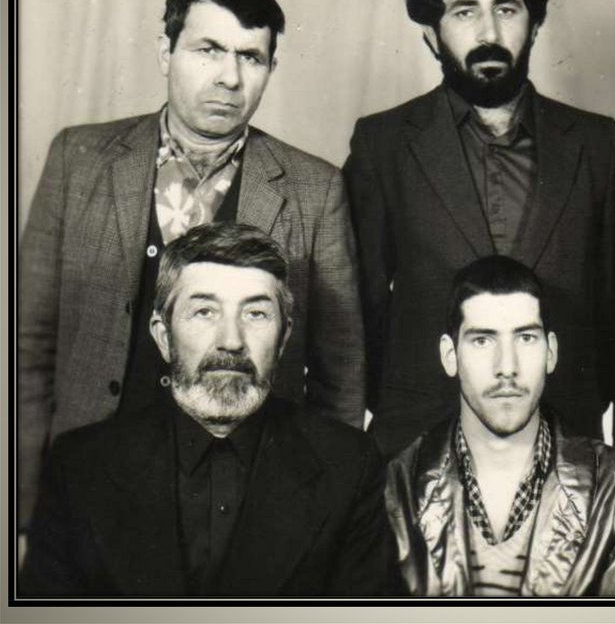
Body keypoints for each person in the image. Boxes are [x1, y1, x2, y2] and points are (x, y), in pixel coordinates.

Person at [18, 0, 365, 536]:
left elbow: (341, 372)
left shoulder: (315, 189)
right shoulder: (78, 160)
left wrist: (320, 515)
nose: (230, 77)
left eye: (251, 57)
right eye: (208, 50)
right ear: (166, 52)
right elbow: (27, 347)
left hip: (247, 497)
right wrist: (24, 507)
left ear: (271, 68)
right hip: (89, 485)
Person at [344, 0, 615, 456]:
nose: (489, 33)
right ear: (432, 33)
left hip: (566, 441)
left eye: (506, 8)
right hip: (418, 442)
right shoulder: (383, 145)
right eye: (465, 11)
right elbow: (360, 317)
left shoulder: (596, 144)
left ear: (535, 23)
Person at [20, 223, 395, 597]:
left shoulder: (349, 466)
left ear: (283, 339)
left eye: (255, 314)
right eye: (204, 311)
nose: (231, 341)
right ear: (163, 336)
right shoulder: (78, 467)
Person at [386, 256, 615, 596]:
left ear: (551, 352)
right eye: (483, 340)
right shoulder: (398, 485)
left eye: (526, 338)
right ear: (450, 355)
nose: (507, 366)